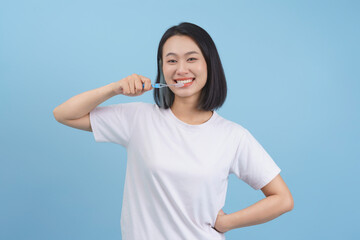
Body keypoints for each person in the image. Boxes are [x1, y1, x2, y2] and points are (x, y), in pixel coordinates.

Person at [53, 22, 294, 240]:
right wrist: (115, 88)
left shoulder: (233, 136)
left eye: (191, 59)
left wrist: (226, 222)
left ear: (209, 65)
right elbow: (63, 114)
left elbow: (282, 199)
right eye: (171, 60)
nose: (181, 69)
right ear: (162, 68)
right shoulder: (138, 119)